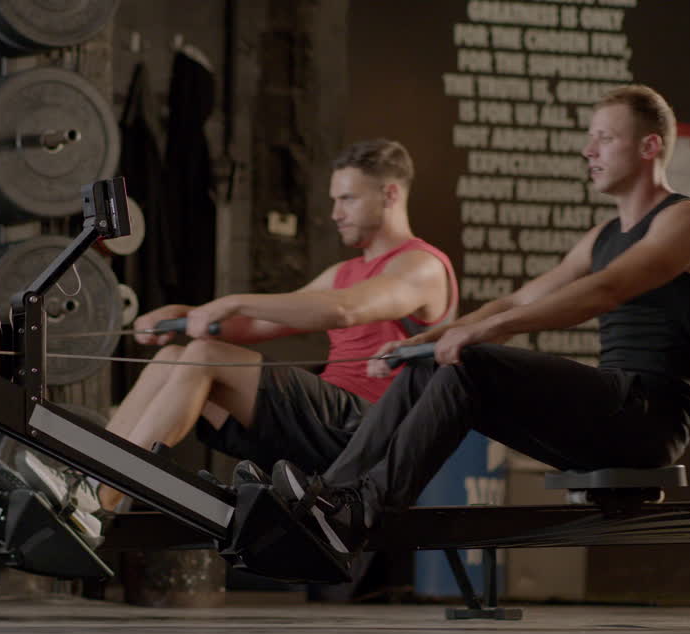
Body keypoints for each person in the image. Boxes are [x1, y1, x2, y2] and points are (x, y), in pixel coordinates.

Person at [248, 85, 690, 556]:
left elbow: (606, 290)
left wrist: (481, 333)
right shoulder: (602, 236)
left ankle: (361, 512)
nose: (588, 150)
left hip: (650, 419)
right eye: (591, 137)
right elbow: (520, 299)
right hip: (609, 411)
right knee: (428, 366)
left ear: (650, 146)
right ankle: (328, 500)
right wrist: (430, 338)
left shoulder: (687, 220)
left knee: (472, 364)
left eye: (605, 137)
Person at [98, 139, 459, 511]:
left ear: (390, 194)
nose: (335, 213)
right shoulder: (344, 272)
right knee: (176, 355)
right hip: (325, 426)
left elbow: (345, 310)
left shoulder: (421, 265)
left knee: (205, 356)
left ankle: (107, 498)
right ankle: (91, 480)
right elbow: (255, 324)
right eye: (334, 200)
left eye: (347, 199)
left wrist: (231, 301)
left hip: (374, 429)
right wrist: (186, 317)